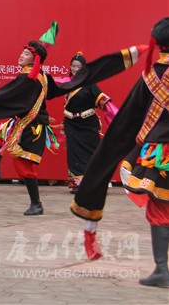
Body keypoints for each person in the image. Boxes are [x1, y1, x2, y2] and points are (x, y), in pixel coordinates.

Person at [0, 31, 143, 217]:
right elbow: (51, 88)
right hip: (31, 123)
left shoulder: (31, 78)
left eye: (26, 54)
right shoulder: (40, 76)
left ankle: (36, 203)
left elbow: (8, 96)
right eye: (22, 52)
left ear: (34, 60)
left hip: (33, 127)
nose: (21, 56)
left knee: (24, 168)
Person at [71, 18, 169, 288]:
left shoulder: (151, 77)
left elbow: (126, 123)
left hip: (161, 154)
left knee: (161, 210)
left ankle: (162, 270)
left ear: (158, 43)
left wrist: (111, 153)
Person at [62, 52, 114, 193]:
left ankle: (96, 182)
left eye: (78, 67)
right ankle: (76, 184)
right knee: (74, 153)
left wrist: (111, 110)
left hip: (87, 124)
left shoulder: (89, 83)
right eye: (73, 66)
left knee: (92, 152)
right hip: (71, 124)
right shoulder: (67, 83)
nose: (75, 69)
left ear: (84, 68)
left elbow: (101, 99)